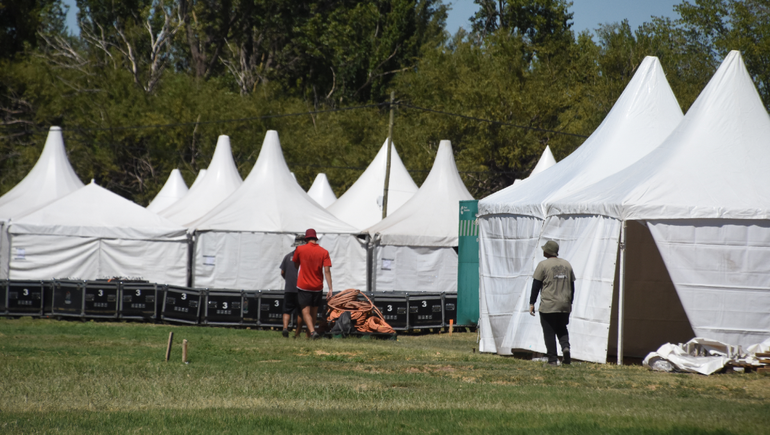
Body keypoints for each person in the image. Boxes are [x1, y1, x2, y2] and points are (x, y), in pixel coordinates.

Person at [529, 240, 576, 366]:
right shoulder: (567, 265)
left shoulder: (543, 265)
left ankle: (552, 360)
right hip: (564, 304)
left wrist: (532, 303)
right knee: (562, 328)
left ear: (548, 251)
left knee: (549, 332)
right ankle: (565, 348)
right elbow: (572, 286)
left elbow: (536, 285)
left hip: (548, 305)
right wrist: (570, 302)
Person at [292, 228, 334, 339]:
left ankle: (312, 332)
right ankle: (309, 336)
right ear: (316, 238)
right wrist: (330, 288)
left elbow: (296, 265)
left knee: (305, 312)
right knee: (314, 313)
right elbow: (327, 271)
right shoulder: (324, 252)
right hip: (317, 286)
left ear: (306, 239)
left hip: (303, 285)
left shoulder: (300, 249)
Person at [279, 234, 306, 338]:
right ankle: (297, 333)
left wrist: (288, 280)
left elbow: (282, 272)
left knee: (286, 310)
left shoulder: (287, 256)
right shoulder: (305, 257)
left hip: (289, 288)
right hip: (301, 289)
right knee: (300, 312)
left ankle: (285, 328)